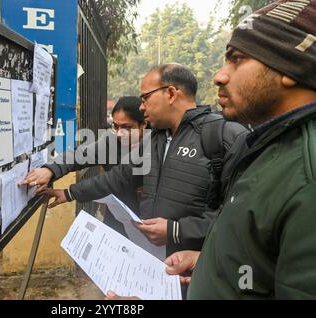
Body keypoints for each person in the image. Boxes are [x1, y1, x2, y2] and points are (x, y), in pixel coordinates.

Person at [112, 0, 316, 300]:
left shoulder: (306, 175)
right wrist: (210, 263)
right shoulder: (266, 147)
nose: (219, 76)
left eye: (237, 59)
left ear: (290, 66)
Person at [45, 64, 248, 256]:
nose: (142, 107)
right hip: (153, 259)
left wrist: (175, 230)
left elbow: (238, 217)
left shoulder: (226, 138)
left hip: (196, 268)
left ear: (170, 93)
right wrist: (70, 192)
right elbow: (120, 176)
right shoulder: (157, 139)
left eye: (145, 98)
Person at [18, 96, 148, 236]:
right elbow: (79, 155)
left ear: (143, 124)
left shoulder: (156, 146)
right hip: (119, 219)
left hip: (150, 223)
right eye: (115, 126)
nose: (119, 133)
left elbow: (111, 180)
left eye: (127, 127)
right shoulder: (111, 142)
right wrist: (50, 170)